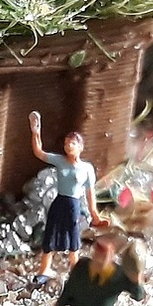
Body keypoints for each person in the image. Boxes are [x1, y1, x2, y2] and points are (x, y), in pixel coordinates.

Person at [28, 110, 99, 280]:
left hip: (73, 206)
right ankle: (44, 269)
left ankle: (75, 271)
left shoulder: (87, 168)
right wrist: (36, 131)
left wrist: (95, 214)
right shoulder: (60, 161)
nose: (68, 146)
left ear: (80, 147)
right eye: (66, 143)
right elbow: (39, 152)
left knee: (73, 236)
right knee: (51, 234)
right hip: (59, 202)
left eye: (72, 143)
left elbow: (90, 193)